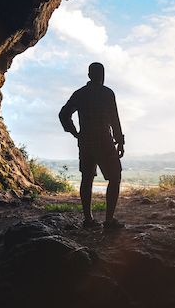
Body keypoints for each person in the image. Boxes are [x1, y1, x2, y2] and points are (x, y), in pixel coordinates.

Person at [59, 62, 125, 229]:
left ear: (89, 75)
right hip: (104, 140)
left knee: (87, 179)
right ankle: (109, 221)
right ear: (100, 75)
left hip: (86, 141)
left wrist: (76, 133)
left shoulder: (80, 94)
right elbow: (114, 118)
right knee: (115, 176)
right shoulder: (107, 93)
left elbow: (64, 114)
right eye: (101, 73)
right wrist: (120, 140)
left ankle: (88, 220)